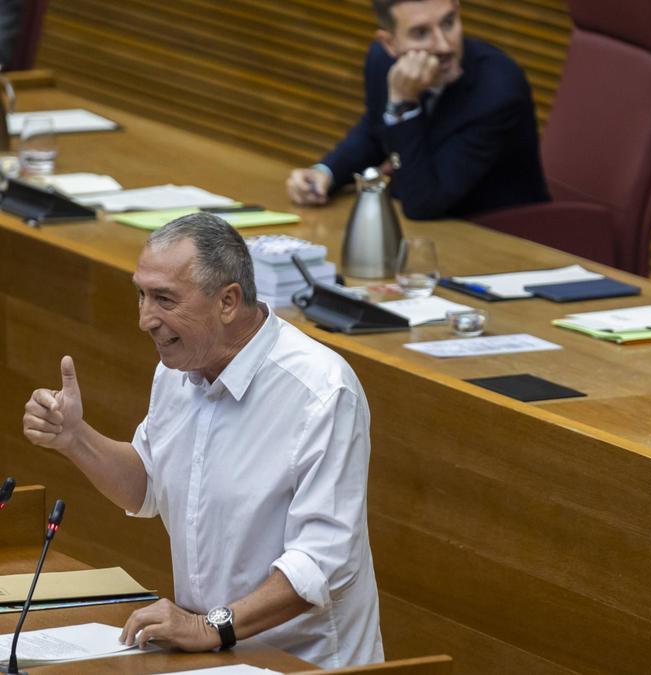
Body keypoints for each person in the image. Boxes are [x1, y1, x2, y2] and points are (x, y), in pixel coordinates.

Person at [21, 213, 383, 667]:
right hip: (212, 652)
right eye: (141, 295)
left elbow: (324, 565)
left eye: (164, 299)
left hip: (304, 661)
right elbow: (147, 485)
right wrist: (75, 438)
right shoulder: (178, 371)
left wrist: (211, 627)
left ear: (228, 301)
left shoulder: (322, 392)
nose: (144, 320)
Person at [285, 0, 549, 219]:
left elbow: (424, 202)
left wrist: (403, 103)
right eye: (420, 33)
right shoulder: (382, 61)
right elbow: (376, 130)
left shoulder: (499, 89)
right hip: (430, 232)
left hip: (501, 233)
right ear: (390, 43)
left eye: (448, 23)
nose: (444, 46)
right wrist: (325, 173)